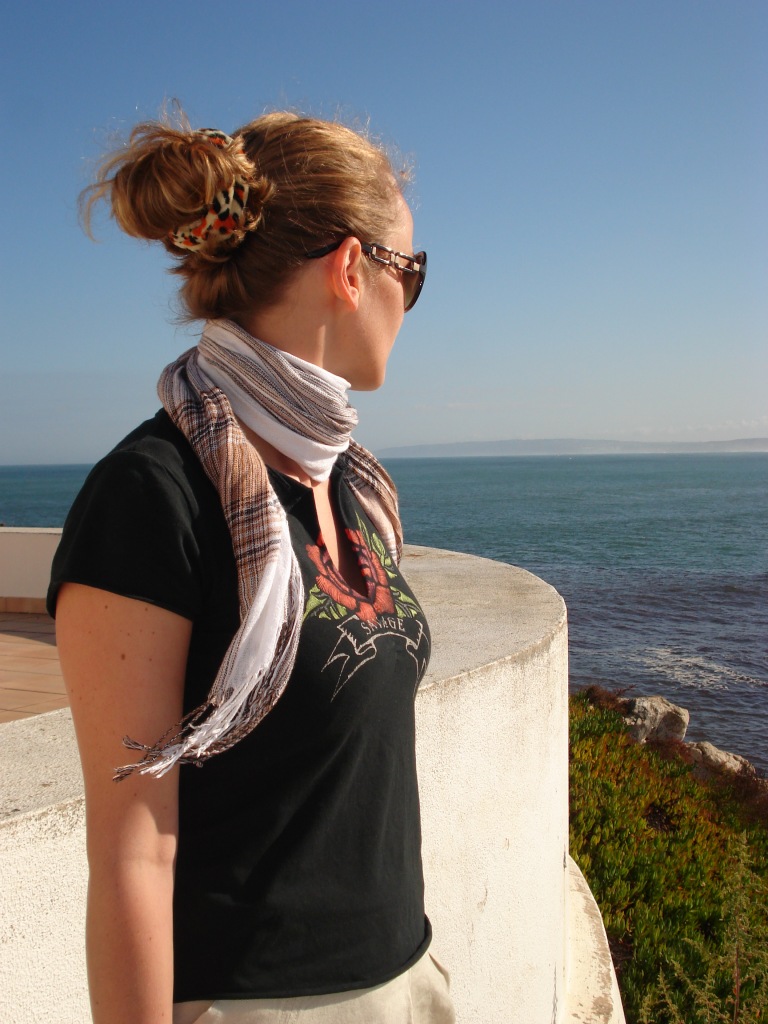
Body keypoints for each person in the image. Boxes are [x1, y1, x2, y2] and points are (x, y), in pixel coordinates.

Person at [48, 111, 454, 1024]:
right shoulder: (152, 496)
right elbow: (132, 854)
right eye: (412, 271)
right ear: (352, 269)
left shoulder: (347, 484)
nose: (410, 299)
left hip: (403, 983)